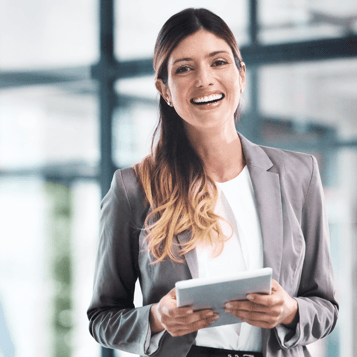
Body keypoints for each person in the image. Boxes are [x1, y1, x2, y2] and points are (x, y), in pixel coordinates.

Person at [87, 8, 338, 357]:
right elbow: (102, 318)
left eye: (218, 62)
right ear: (165, 90)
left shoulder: (299, 175)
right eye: (185, 68)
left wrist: (291, 311)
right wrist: (157, 318)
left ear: (241, 75)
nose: (204, 80)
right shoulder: (133, 188)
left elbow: (325, 307)